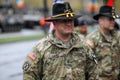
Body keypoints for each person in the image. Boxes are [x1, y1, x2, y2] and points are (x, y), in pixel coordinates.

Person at [22, 1, 97, 80]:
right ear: (54, 23)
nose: (68, 24)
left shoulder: (83, 46)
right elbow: (29, 75)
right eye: (64, 21)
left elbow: (93, 73)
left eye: (70, 20)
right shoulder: (41, 48)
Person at [85, 5, 120, 80]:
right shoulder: (92, 38)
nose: (113, 21)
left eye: (113, 19)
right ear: (100, 21)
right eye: (110, 19)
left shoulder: (117, 36)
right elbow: (87, 65)